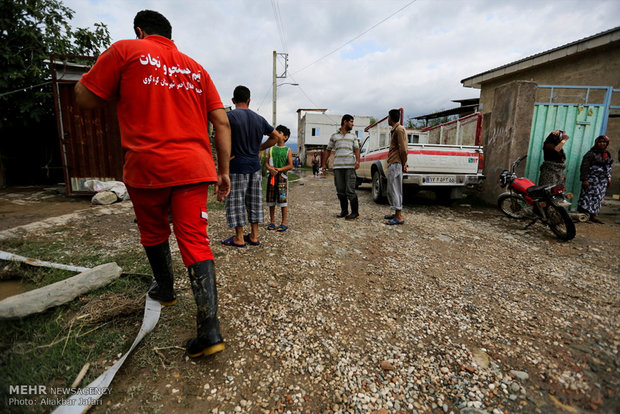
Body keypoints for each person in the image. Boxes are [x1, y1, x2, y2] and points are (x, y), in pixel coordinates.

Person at [74, 10, 231, 359]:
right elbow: (221, 121)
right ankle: (210, 330)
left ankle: (166, 288)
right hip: (194, 167)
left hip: (147, 169)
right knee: (195, 239)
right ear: (170, 36)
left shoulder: (125, 51)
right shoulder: (196, 68)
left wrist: (105, 87)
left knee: (154, 233)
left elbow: (85, 97)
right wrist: (223, 170)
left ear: (140, 30)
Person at [222, 85, 281, 247]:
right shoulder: (259, 119)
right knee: (254, 201)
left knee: (237, 201)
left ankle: (239, 238)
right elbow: (276, 136)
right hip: (254, 167)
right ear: (249, 100)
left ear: (233, 100)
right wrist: (260, 148)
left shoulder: (229, 116)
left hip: (236, 165)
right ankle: (254, 236)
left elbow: (220, 138)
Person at [322, 114, 360, 220]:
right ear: (345, 122)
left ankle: (355, 212)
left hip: (350, 167)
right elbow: (328, 150)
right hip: (338, 167)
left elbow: (357, 149)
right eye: (351, 121)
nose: (353, 124)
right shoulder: (334, 136)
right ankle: (344, 211)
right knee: (340, 191)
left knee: (350, 190)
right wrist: (324, 164)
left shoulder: (353, 136)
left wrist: (358, 161)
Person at [577, 135, 613, 224]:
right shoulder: (590, 154)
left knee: (598, 198)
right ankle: (584, 216)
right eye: (600, 142)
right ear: (596, 143)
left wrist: (609, 179)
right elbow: (584, 167)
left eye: (604, 142)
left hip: (602, 181)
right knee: (587, 197)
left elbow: (608, 166)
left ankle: (593, 216)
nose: (602, 144)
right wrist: (585, 179)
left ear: (607, 143)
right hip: (592, 180)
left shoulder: (606, 154)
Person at [265, 125, 293, 232]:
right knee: (271, 200)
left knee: (283, 200)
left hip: (282, 178)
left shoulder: (288, 150)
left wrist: (279, 169)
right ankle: (272, 222)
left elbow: (290, 165)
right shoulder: (271, 149)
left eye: (279, 132)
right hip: (271, 178)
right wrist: (270, 169)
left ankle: (284, 222)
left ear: (285, 137)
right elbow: (266, 163)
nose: (276, 134)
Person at [384, 109, 408, 225]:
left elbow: (403, 149)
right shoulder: (395, 130)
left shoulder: (399, 130)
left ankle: (398, 217)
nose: (387, 119)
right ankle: (396, 213)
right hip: (393, 162)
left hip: (396, 162)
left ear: (391, 118)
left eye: (388, 117)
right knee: (392, 189)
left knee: (395, 189)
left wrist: (404, 163)